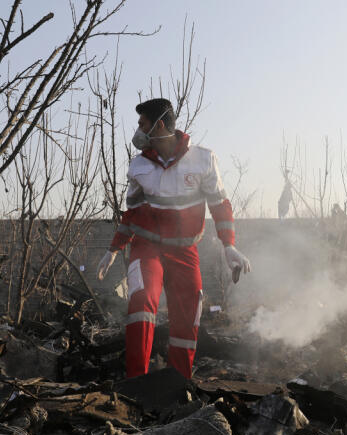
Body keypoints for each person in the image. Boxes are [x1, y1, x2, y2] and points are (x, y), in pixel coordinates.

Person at [97, 98, 251, 379]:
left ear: (160, 124)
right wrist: (114, 249)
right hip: (147, 249)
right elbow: (131, 214)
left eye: (143, 124)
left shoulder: (203, 159)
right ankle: (137, 384)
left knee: (190, 310)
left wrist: (229, 245)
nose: (139, 130)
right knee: (142, 302)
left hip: (184, 250)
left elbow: (219, 204)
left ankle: (178, 384)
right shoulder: (138, 167)